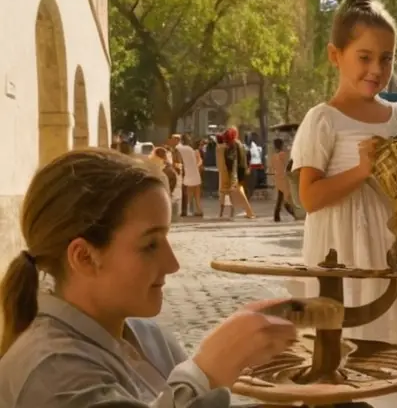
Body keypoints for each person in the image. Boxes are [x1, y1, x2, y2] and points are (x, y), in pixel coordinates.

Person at [0, 148, 297, 407]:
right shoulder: (50, 372)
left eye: (167, 239)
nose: (173, 264)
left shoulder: (149, 338)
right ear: (84, 257)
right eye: (150, 245)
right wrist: (204, 374)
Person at [288, 0, 397, 408]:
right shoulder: (323, 119)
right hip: (343, 250)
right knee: (352, 335)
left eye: (387, 58)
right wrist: (361, 171)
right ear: (335, 55)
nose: (377, 69)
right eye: (365, 57)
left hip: (396, 245)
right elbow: (309, 197)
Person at [216, 129, 255, 219]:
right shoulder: (239, 144)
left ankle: (250, 212)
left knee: (240, 192)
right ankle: (249, 212)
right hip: (242, 170)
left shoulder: (233, 146)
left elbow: (234, 162)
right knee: (240, 192)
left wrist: (234, 178)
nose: (226, 142)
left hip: (237, 172)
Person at [176, 134, 204, 217]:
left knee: (189, 194)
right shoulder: (190, 149)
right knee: (197, 194)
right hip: (196, 173)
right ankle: (199, 210)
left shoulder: (180, 148)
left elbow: (178, 157)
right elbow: (197, 161)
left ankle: (186, 211)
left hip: (188, 174)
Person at [270, 138, 296, 222]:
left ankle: (276, 216)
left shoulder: (274, 156)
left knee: (281, 197)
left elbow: (273, 168)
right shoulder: (283, 155)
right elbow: (288, 164)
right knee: (286, 198)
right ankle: (293, 213)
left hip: (278, 179)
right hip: (284, 179)